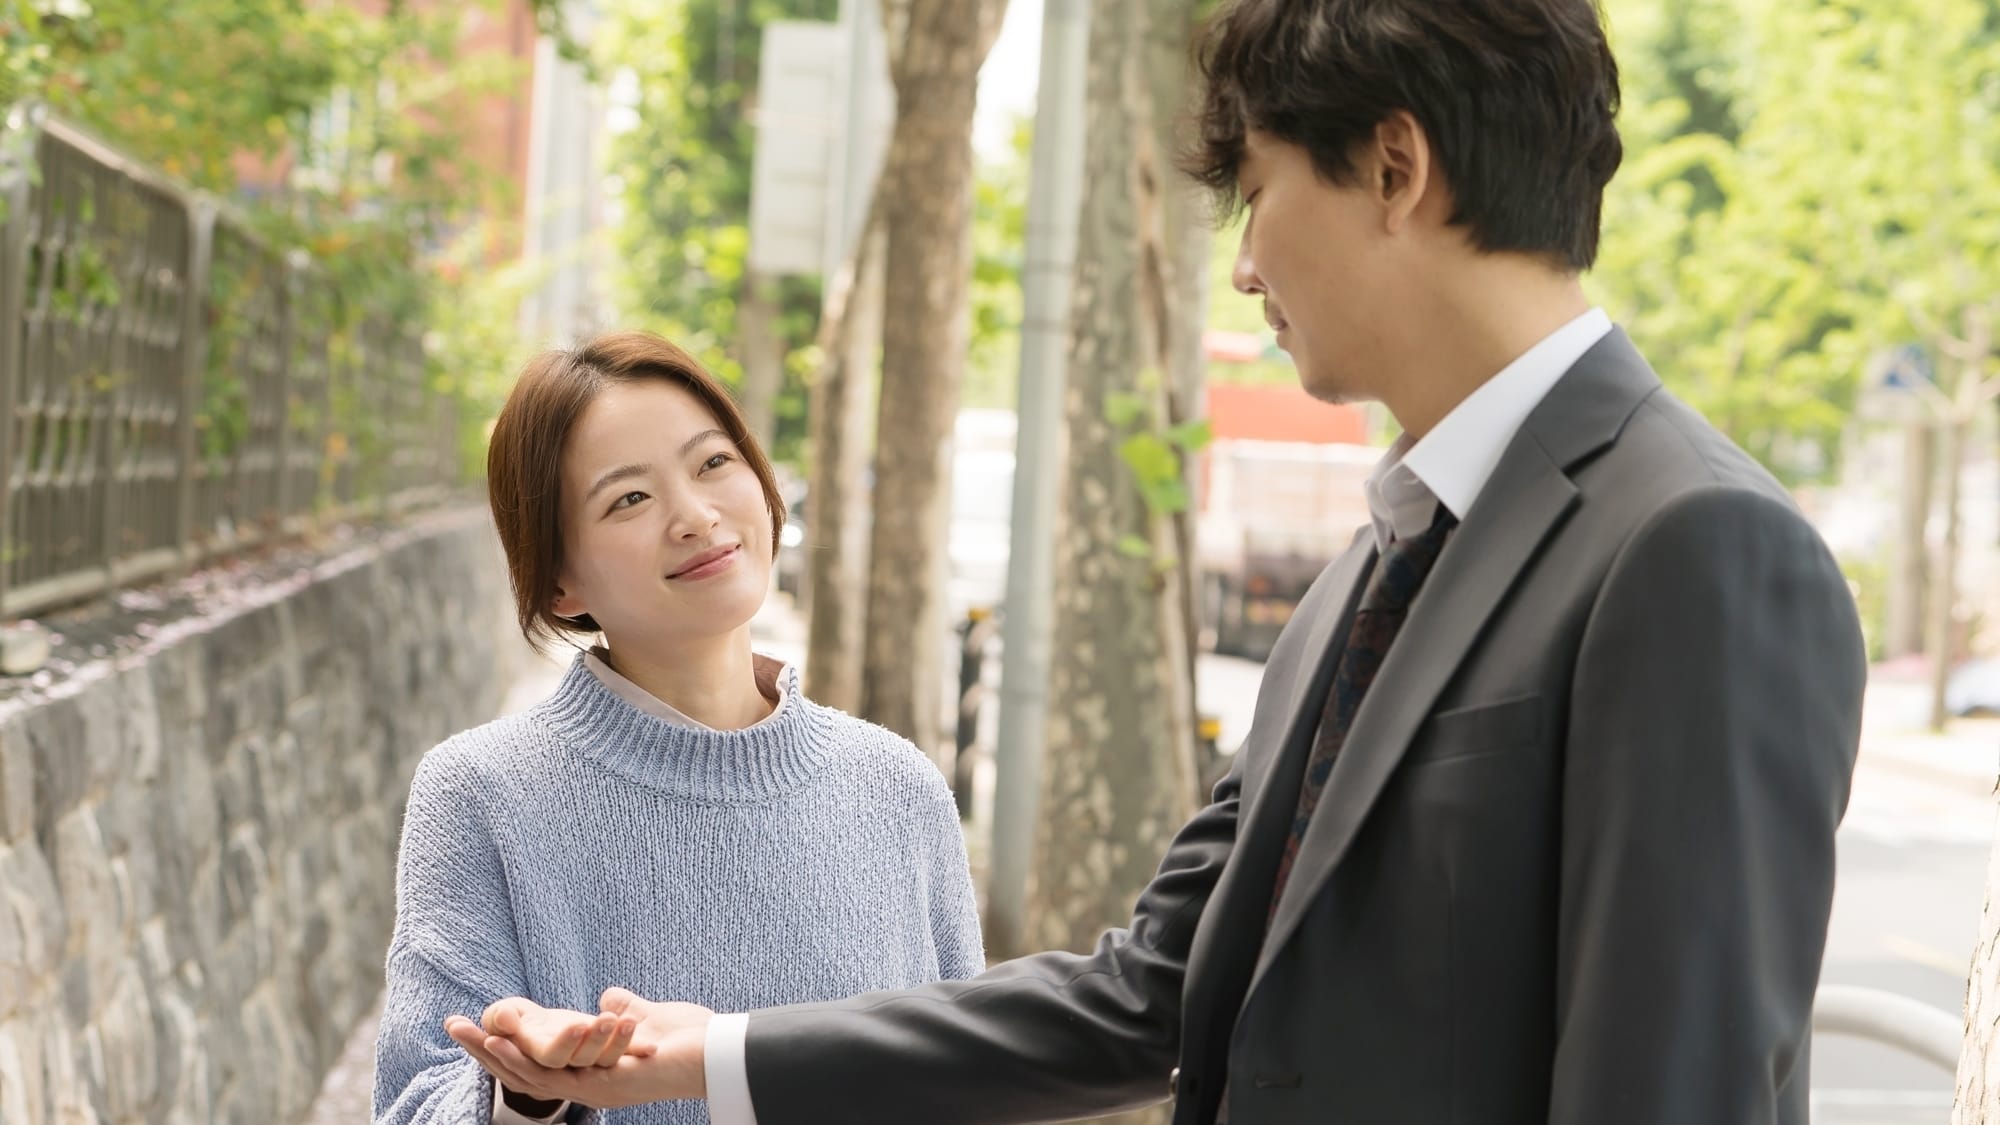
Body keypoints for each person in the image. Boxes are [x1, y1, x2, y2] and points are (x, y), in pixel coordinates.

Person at [446, 1, 1868, 1121]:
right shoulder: (1367, 576)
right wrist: (709, 1055)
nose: (1244, 266)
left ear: (1393, 169)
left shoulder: (1693, 548)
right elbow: (1149, 993)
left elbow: (1668, 1091)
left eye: (1256, 192)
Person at [374, 331, 984, 1125]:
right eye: (629, 498)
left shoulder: (898, 785)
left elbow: (976, 1083)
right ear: (558, 581)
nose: (696, 516)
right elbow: (414, 1101)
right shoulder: (481, 793)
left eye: (713, 462)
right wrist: (523, 1097)